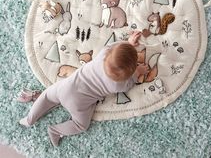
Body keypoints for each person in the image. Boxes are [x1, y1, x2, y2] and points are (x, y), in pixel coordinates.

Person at [19, 30, 149, 146]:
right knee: (81, 125)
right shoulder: (118, 85)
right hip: (78, 104)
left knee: (46, 96)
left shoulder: (103, 54)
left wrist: (129, 42)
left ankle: (30, 119)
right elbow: (130, 83)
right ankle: (55, 130)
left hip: (64, 88)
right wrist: (138, 72)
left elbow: (113, 47)